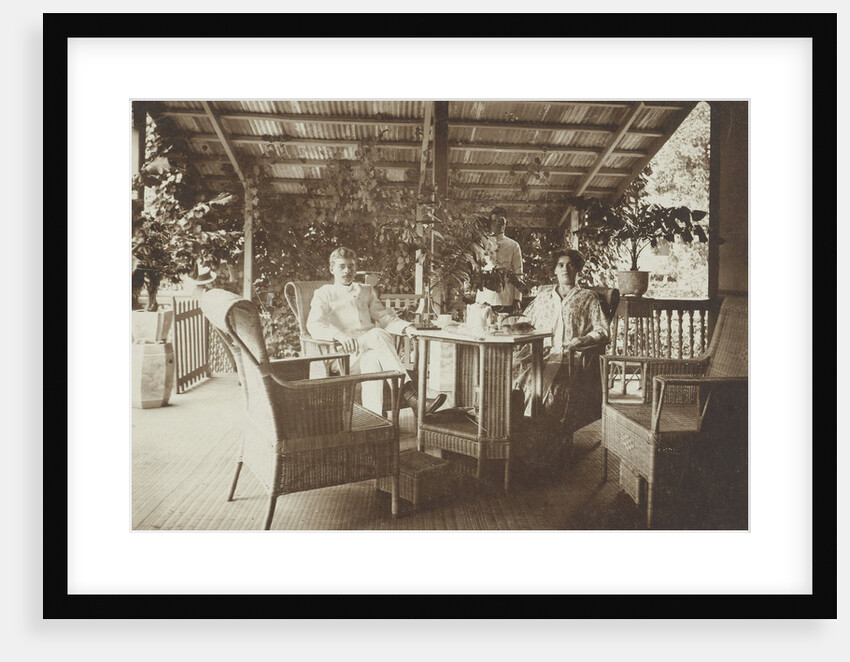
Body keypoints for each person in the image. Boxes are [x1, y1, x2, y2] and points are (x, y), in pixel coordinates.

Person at [307, 247, 446, 417]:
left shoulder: (365, 290)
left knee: (372, 360)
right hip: (344, 356)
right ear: (332, 269)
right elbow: (314, 324)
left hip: (369, 350)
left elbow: (385, 317)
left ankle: (374, 421)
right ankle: (411, 396)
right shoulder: (324, 293)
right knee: (377, 334)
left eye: (351, 266)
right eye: (342, 266)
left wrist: (407, 328)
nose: (347, 270)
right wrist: (339, 335)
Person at [512, 249, 609, 462]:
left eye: (570, 265)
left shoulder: (587, 297)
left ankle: (535, 440)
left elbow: (602, 330)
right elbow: (524, 321)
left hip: (569, 355)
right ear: (554, 270)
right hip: (538, 352)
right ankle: (508, 433)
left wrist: (584, 340)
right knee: (507, 369)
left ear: (577, 269)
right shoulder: (544, 296)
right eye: (561, 265)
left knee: (539, 379)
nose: (565, 269)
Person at [475, 207, 524, 314]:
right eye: (495, 221)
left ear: (506, 223)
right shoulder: (482, 243)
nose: (498, 224)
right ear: (490, 223)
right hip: (485, 296)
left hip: (506, 297)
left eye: (501, 221)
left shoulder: (513, 245)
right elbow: (477, 268)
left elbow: (518, 272)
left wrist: (517, 298)